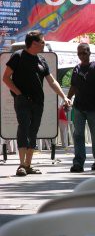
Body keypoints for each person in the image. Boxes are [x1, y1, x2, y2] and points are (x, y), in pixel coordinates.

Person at [2, 31, 71, 176]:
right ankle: (21, 165)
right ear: (34, 43)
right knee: (24, 127)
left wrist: (64, 96)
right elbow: (6, 78)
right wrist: (19, 93)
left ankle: (28, 165)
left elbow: (52, 81)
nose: (44, 44)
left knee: (33, 131)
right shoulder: (18, 56)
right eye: (42, 41)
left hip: (38, 102)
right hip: (22, 101)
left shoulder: (41, 60)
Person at [66, 43, 95, 173]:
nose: (81, 56)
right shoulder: (76, 69)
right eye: (79, 53)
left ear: (89, 53)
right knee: (78, 134)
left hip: (94, 107)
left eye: (84, 53)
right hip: (79, 107)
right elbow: (73, 86)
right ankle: (78, 162)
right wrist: (67, 99)